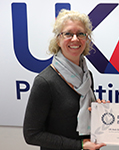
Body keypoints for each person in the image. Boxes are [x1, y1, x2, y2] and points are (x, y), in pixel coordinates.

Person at [23, 9, 106, 150]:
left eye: (81, 34)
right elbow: (31, 134)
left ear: (86, 39)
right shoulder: (45, 82)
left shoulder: (87, 75)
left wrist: (99, 111)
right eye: (68, 33)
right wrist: (79, 145)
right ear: (58, 40)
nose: (75, 39)